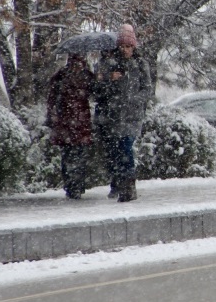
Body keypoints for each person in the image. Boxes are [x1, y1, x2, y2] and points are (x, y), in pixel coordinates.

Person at [93, 24, 152, 202]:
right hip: (114, 117)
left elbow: (147, 89)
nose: (125, 50)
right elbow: (98, 91)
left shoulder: (141, 64)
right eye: (122, 46)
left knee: (125, 148)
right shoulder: (110, 64)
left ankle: (128, 188)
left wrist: (134, 100)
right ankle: (118, 183)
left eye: (129, 46)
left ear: (134, 46)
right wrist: (110, 80)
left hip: (132, 117)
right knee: (115, 152)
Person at [46, 54, 95, 199]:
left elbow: (51, 98)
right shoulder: (68, 76)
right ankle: (74, 184)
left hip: (73, 121)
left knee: (73, 154)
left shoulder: (65, 75)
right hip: (72, 121)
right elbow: (52, 97)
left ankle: (74, 184)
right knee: (74, 154)